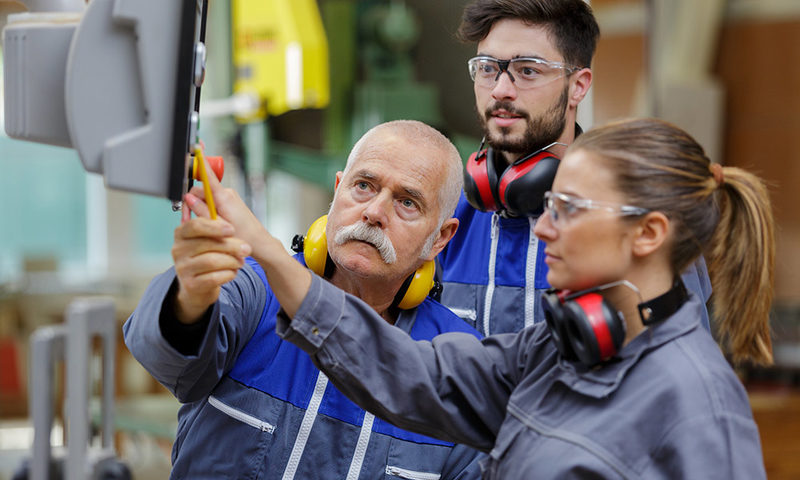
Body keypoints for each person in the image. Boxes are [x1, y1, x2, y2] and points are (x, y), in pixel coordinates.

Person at [218, 118, 773, 478]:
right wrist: (266, 253)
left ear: (648, 234)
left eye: (570, 210)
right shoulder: (555, 353)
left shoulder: (701, 409)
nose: (545, 230)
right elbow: (405, 370)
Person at [123, 120, 485, 479]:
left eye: (407, 202)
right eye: (363, 186)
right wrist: (192, 297)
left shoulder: (455, 365)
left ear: (441, 238)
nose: (374, 212)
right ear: (338, 189)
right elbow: (163, 357)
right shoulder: (253, 289)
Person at [437, 0, 713, 335]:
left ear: (578, 86)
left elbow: (674, 368)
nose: (500, 90)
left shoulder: (637, 223)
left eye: (528, 70)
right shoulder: (448, 217)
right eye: (487, 68)